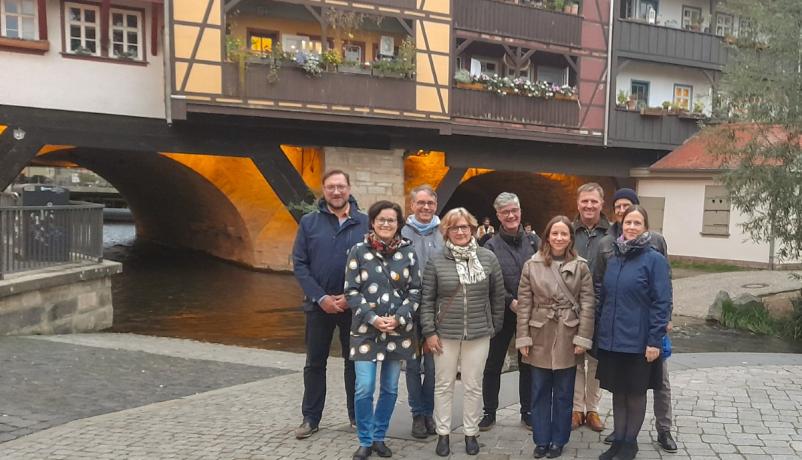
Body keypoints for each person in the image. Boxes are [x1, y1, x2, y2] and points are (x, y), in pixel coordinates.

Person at [419, 207, 505, 457]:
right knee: (443, 384)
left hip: (478, 333)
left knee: (473, 385)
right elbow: (427, 299)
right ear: (446, 231)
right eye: (454, 227)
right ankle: (443, 434)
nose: (460, 231)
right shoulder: (436, 260)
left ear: (473, 229)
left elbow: (497, 296)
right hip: (444, 333)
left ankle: (470, 432)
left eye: (464, 227)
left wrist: (493, 326)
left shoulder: (487, 258)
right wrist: (429, 332)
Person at [596, 188, 676, 454]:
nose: (630, 226)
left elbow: (661, 301)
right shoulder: (614, 257)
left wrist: (655, 340)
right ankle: (618, 439)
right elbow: (604, 295)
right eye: (627, 222)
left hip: (640, 340)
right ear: (621, 224)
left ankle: (630, 443)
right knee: (618, 392)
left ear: (645, 228)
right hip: (613, 338)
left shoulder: (653, 259)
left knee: (636, 393)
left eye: (636, 223)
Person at [292, 170, 369, 439]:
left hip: (354, 305)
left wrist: (351, 297)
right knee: (315, 362)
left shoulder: (364, 223)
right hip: (318, 305)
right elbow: (300, 264)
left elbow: (372, 265)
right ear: (323, 191)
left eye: (341, 187)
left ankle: (356, 417)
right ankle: (310, 418)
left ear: (349, 189)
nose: (336, 192)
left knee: (353, 363)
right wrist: (320, 297)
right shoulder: (309, 223)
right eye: (330, 187)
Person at [344, 200, 422, 460]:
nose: (386, 224)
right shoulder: (358, 251)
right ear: (373, 223)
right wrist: (373, 318)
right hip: (366, 330)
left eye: (391, 220)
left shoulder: (409, 253)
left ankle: (379, 437)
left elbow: (415, 290)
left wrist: (399, 318)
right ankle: (364, 440)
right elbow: (351, 290)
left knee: (390, 388)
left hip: (398, 331)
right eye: (381, 219)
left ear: (399, 224)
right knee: (364, 387)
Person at [516, 216, 595, 459]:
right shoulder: (532, 265)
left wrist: (583, 338)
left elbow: (588, 303)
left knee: (563, 392)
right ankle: (541, 439)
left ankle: (559, 439)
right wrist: (523, 338)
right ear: (547, 236)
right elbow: (525, 303)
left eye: (564, 234)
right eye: (555, 233)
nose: (559, 238)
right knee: (539, 390)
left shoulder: (581, 266)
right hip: (539, 331)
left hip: (568, 334)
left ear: (571, 238)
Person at [479, 193, 540, 431]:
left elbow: (545, 274)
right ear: (498, 216)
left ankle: (528, 411)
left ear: (520, 211)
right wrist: (509, 301)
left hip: (530, 313)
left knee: (528, 363)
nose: (511, 215)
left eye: (514, 210)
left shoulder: (534, 241)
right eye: (505, 212)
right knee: (493, 363)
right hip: (501, 313)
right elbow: (488, 281)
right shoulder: (490, 245)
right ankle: (489, 412)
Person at [401, 185, 443, 439]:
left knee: (434, 365)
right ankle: (417, 413)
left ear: (435, 206)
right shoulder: (402, 232)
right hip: (409, 308)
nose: (426, 207)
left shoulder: (443, 233)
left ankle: (429, 412)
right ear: (412, 205)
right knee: (413, 366)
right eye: (421, 203)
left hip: (436, 310)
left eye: (430, 203)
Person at [571, 182, 609, 433]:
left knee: (595, 361)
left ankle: (592, 408)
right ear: (578, 203)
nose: (589, 205)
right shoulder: (567, 231)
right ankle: (576, 408)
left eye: (594, 201)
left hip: (601, 307)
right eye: (585, 201)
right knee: (574, 359)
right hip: (571, 308)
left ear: (601, 204)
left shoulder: (612, 235)